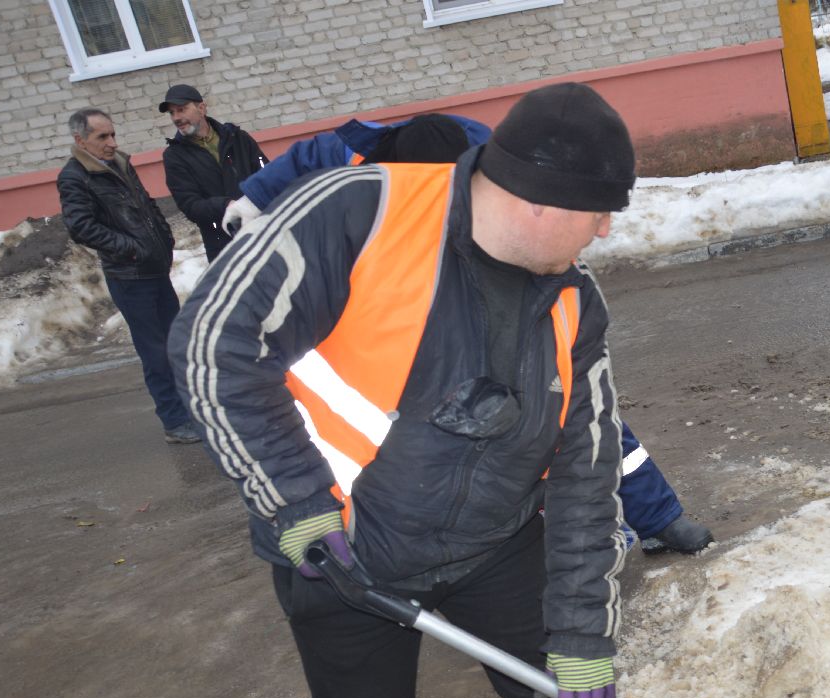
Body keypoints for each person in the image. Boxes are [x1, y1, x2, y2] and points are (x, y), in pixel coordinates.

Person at [170, 83, 706, 698]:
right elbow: (213, 347)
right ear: (541, 200)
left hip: (495, 541)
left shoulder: (575, 303)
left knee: (561, 694)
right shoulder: (361, 213)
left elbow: (585, 472)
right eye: (599, 215)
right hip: (338, 552)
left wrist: (582, 633)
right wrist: (295, 504)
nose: (605, 234)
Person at [225, 111, 713, 555]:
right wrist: (252, 200)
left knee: (568, 402)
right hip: (401, 301)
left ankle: (659, 516)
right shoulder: (356, 164)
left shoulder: (502, 171)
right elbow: (312, 155)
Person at [57, 108, 200, 444]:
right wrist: (132, 248)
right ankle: (174, 422)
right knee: (155, 352)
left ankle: (188, 411)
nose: (111, 142)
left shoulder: (119, 162)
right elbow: (81, 227)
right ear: (80, 140)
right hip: (130, 274)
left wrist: (164, 236)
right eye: (102, 137)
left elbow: (146, 206)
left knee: (174, 343)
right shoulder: (75, 176)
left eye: (112, 134)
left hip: (154, 268)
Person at [158, 84, 268, 261]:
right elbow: (190, 205)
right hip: (223, 246)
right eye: (172, 113)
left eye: (181, 110)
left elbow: (265, 173)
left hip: (262, 231)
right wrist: (226, 205)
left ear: (201, 108)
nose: (176, 118)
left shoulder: (237, 138)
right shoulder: (175, 156)